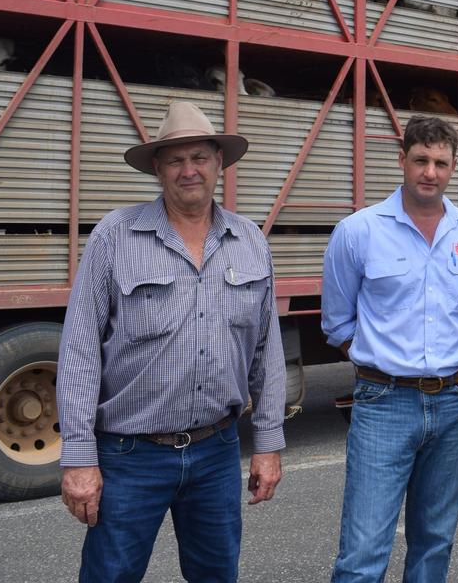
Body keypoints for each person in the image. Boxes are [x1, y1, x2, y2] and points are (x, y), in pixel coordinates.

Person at [57, 99, 286, 582]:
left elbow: (267, 352)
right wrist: (79, 458)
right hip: (129, 456)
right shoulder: (115, 236)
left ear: (219, 163)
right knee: (109, 576)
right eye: (176, 159)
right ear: (158, 168)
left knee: (217, 575)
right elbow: (79, 351)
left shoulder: (250, 240)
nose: (189, 170)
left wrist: (267, 444)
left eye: (200, 157)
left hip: (216, 451)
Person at [322, 115, 458, 583]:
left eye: (441, 163)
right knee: (363, 552)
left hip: (455, 404)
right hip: (383, 405)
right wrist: (384, 365)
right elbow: (338, 323)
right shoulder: (358, 231)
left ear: (453, 168)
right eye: (420, 160)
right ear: (402, 160)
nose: (430, 172)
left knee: (434, 544)